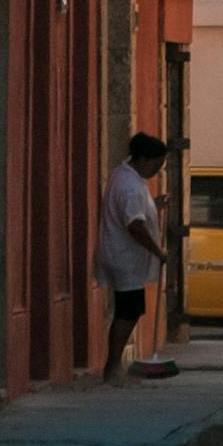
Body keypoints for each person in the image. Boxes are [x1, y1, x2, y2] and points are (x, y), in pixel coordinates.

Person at [94, 131, 168, 383]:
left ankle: (114, 366)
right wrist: (157, 250)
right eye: (157, 165)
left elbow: (133, 211)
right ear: (145, 159)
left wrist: (154, 205)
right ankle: (113, 367)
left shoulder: (121, 174)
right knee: (128, 311)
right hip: (125, 258)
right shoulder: (132, 187)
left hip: (118, 254)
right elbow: (134, 225)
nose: (158, 171)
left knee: (129, 309)